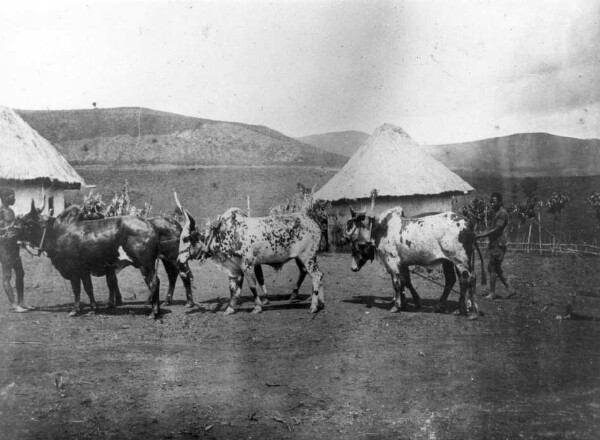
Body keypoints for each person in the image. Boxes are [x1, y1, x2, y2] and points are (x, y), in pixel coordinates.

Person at [476, 192, 517, 300]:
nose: (492, 204)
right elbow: (491, 228)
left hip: (498, 245)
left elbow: (496, 229)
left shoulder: (502, 213)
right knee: (497, 269)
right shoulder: (497, 213)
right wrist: (481, 234)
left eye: (494, 201)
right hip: (495, 244)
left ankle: (492, 293)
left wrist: (481, 235)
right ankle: (510, 289)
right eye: (491, 202)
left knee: (492, 268)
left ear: (500, 201)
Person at [0, 188, 30, 312]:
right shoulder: (1, 212)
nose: (14, 198)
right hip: (4, 247)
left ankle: (21, 302)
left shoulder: (11, 211)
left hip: (13, 247)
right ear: (6, 197)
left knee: (20, 273)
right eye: (12, 196)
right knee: (7, 276)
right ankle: (14, 304)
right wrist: (10, 227)